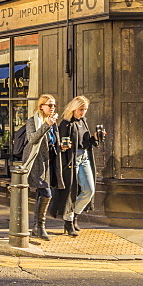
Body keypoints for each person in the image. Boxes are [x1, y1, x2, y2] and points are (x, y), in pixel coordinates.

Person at [49, 96, 104, 237]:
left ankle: (73, 216)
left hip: (84, 158)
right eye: (81, 109)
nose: (83, 112)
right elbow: (59, 146)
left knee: (89, 190)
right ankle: (68, 221)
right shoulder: (66, 124)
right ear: (74, 108)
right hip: (71, 161)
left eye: (85, 109)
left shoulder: (83, 122)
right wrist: (63, 147)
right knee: (70, 192)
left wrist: (95, 138)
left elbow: (86, 142)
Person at [24, 93, 64, 241]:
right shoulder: (32, 121)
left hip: (50, 162)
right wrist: (47, 125)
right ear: (41, 106)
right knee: (46, 193)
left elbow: (51, 142)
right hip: (36, 162)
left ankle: (37, 228)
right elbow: (32, 139)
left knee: (43, 194)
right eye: (49, 105)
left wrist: (61, 146)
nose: (53, 108)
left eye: (54, 105)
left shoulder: (53, 123)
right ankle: (39, 227)